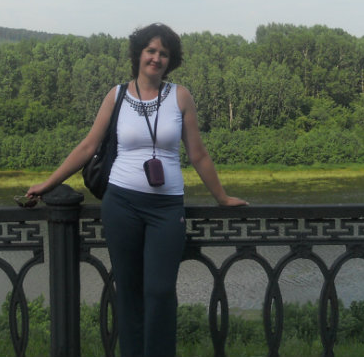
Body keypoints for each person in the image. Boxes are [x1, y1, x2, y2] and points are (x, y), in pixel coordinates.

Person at [25, 23, 247, 357]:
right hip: (122, 204)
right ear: (138, 54)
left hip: (167, 208)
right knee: (128, 292)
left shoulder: (180, 96)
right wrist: (48, 184)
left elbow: (198, 154)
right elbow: (88, 147)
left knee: (160, 291)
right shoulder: (117, 96)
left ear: (170, 60)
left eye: (163, 53)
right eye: (151, 51)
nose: (156, 58)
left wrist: (222, 197)